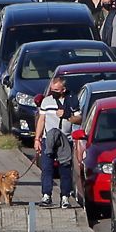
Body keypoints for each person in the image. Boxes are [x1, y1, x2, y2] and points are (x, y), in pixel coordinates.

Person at [34, 75, 76, 209]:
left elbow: (79, 119)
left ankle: (65, 197)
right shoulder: (46, 102)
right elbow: (42, 120)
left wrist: (67, 115)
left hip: (65, 139)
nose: (53, 92)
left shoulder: (72, 100)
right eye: (52, 89)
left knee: (65, 169)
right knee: (47, 168)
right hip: (49, 138)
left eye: (56, 90)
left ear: (63, 89)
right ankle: (46, 195)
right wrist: (37, 139)